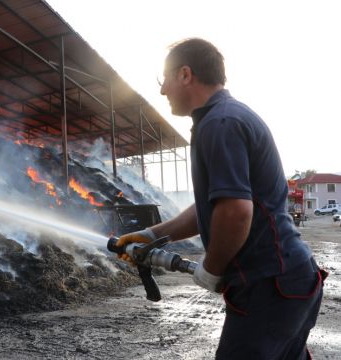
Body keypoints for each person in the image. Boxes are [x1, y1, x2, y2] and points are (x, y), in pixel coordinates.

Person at [116, 38, 326, 359]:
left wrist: (211, 268)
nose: (162, 91)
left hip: (269, 284)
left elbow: (235, 213)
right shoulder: (222, 118)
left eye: (164, 80)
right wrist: (153, 235)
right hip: (287, 280)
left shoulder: (220, 123)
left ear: (185, 75)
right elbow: (217, 207)